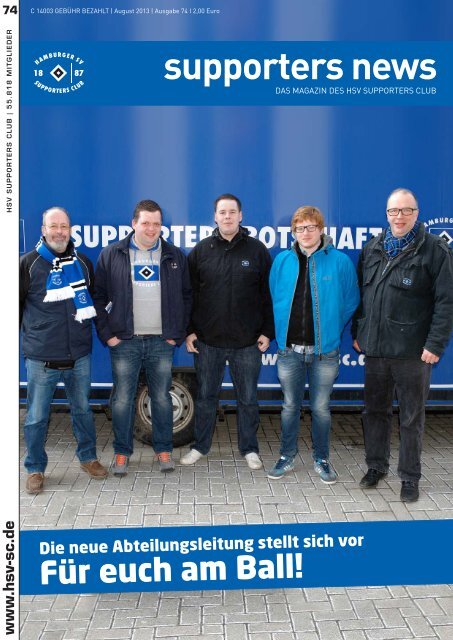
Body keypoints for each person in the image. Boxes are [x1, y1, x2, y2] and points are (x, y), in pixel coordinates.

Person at [353, 188, 453, 502]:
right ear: (386, 214)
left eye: (406, 210)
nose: (399, 217)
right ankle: (376, 466)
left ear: (416, 213)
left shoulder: (435, 250)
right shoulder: (373, 248)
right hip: (377, 351)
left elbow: (446, 302)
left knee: (411, 418)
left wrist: (435, 343)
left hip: (413, 353)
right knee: (375, 412)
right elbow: (362, 296)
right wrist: (359, 331)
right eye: (394, 211)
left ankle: (410, 478)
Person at [93, 200, 191, 476]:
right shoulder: (112, 254)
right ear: (134, 223)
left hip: (162, 342)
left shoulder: (174, 256)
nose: (151, 229)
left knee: (160, 398)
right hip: (125, 341)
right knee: (122, 400)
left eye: (156, 224)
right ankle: (122, 453)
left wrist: (177, 334)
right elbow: (97, 296)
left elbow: (187, 296)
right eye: (146, 223)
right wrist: (108, 335)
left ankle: (164, 450)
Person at [181, 194, 274, 470]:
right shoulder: (200, 252)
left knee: (247, 399)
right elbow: (189, 296)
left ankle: (250, 449)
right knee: (206, 397)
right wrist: (189, 331)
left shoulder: (257, 251)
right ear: (215, 216)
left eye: (232, 212)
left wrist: (267, 332)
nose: (227, 217)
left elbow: (268, 296)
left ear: (241, 215)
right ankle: (200, 446)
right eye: (222, 212)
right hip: (208, 343)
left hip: (247, 343)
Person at [268, 206, 359, 483]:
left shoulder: (340, 262)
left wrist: (331, 329)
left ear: (321, 229)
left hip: (325, 353)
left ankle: (322, 459)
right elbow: (274, 298)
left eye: (310, 227)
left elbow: (351, 300)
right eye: (299, 228)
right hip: (289, 351)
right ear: (293, 232)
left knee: (320, 408)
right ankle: (286, 456)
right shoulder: (282, 261)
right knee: (289, 407)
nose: (305, 233)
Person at [20, 206, 107, 494]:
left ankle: (88, 457)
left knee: (82, 410)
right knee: (36, 416)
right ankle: (34, 468)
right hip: (42, 356)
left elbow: (92, 301)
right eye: (53, 226)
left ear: (70, 230)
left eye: (64, 226)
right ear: (43, 230)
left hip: (79, 354)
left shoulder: (82, 262)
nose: (59, 232)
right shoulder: (28, 263)